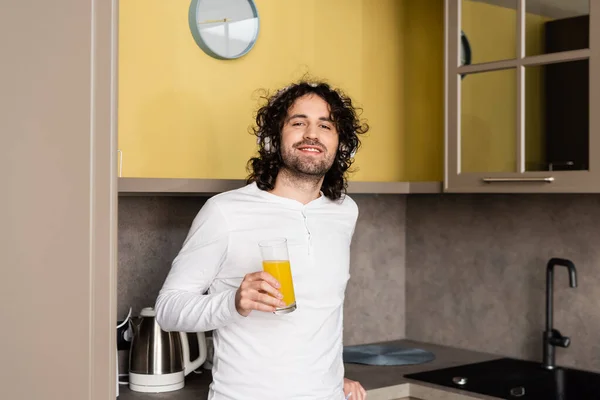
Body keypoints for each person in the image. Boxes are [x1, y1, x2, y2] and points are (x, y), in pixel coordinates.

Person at [155, 79, 370, 400]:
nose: (312, 134)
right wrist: (233, 302)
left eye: (325, 125)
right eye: (299, 123)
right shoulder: (224, 211)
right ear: (274, 137)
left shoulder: (344, 212)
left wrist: (333, 377)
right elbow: (168, 309)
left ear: (340, 143)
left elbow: (321, 315)